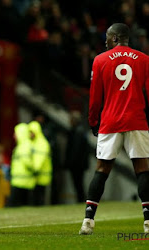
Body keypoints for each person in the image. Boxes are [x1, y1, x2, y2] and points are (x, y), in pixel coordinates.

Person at [79, 23, 149, 235]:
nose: (106, 41)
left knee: (101, 170)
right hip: (137, 120)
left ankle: (88, 221)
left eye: (108, 37)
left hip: (110, 122)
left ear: (116, 38)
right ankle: (148, 223)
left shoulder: (100, 60)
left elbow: (95, 98)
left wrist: (93, 121)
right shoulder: (145, 60)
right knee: (143, 169)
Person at [64, 110, 90, 203]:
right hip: (80, 164)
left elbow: (76, 150)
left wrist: (70, 162)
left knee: (78, 183)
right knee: (79, 184)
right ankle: (81, 200)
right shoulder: (81, 131)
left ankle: (81, 200)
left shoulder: (77, 132)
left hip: (77, 164)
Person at [9, 123, 35, 207]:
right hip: (21, 181)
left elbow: (27, 162)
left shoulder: (24, 146)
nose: (14, 136)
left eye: (15, 133)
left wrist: (33, 169)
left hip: (22, 181)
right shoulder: (23, 145)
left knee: (14, 205)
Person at [28, 121, 52, 206]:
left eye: (31, 132)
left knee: (39, 197)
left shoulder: (41, 143)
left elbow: (39, 159)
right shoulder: (36, 142)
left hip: (41, 175)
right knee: (37, 196)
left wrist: (34, 169)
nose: (29, 134)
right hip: (38, 175)